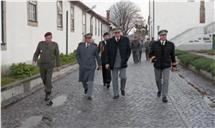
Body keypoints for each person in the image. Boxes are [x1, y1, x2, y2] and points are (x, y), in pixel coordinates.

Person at [149, 30, 177, 103]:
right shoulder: (154, 44)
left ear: (166, 36)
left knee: (166, 80)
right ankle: (159, 89)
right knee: (157, 80)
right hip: (157, 65)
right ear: (159, 36)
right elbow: (150, 54)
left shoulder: (171, 44)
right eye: (162, 35)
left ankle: (164, 96)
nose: (163, 36)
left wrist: (174, 65)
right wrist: (153, 59)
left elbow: (173, 56)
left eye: (164, 35)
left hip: (166, 65)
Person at [105, 27, 131, 99]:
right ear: (113, 33)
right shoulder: (109, 41)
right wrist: (107, 62)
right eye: (115, 33)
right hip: (113, 63)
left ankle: (122, 88)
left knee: (123, 77)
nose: (117, 34)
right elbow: (106, 53)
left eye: (118, 32)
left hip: (122, 62)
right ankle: (116, 94)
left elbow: (129, 50)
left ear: (120, 33)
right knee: (114, 79)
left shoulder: (125, 40)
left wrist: (126, 59)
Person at [33, 32, 60, 101]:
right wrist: (34, 60)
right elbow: (36, 53)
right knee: (43, 78)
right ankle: (49, 87)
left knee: (48, 78)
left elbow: (57, 55)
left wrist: (58, 65)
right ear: (45, 38)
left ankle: (47, 93)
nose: (48, 39)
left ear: (51, 38)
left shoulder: (55, 44)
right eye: (46, 38)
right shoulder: (41, 44)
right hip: (42, 64)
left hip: (50, 65)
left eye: (49, 38)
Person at [76, 33, 102, 100]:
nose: (88, 39)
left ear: (91, 38)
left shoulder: (94, 46)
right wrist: (80, 63)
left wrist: (99, 64)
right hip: (83, 66)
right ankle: (86, 88)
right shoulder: (80, 46)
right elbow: (77, 55)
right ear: (85, 39)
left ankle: (89, 95)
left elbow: (97, 56)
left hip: (91, 66)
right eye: (87, 38)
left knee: (90, 80)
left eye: (90, 38)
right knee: (83, 80)